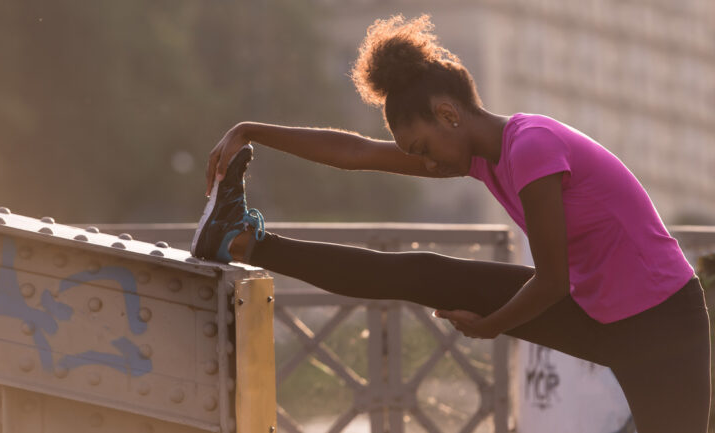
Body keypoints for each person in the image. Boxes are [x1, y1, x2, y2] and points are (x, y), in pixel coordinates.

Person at [190, 14, 711, 433]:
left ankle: (240, 239)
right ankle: (241, 241)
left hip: (662, 324)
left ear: (449, 114)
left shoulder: (532, 148)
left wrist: (492, 326)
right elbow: (357, 153)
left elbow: (551, 281)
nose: (430, 165)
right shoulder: (481, 155)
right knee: (421, 273)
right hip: (600, 309)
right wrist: (250, 129)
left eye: (423, 150)